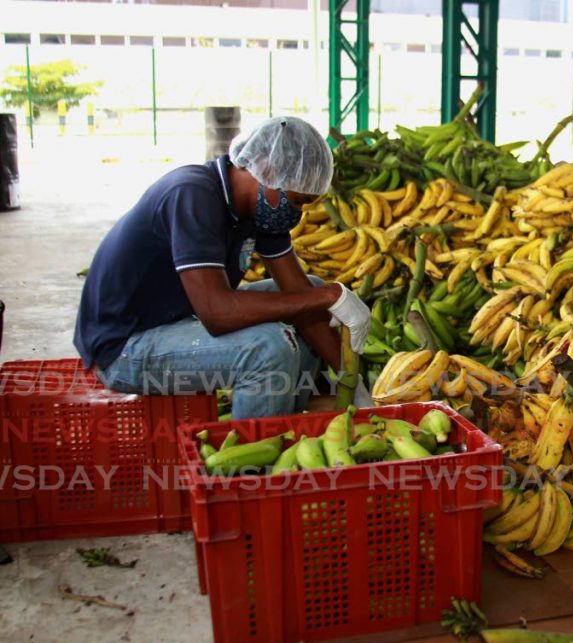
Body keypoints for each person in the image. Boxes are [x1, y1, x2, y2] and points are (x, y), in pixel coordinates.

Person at [73, 116, 370, 418]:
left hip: (179, 319)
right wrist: (331, 296)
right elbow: (217, 313)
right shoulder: (191, 195)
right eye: (298, 200)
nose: (298, 213)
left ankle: (285, 427)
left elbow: (300, 293)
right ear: (268, 171)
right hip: (124, 348)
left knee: (311, 293)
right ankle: (255, 458)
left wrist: (352, 382)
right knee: (270, 348)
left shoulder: (263, 209)